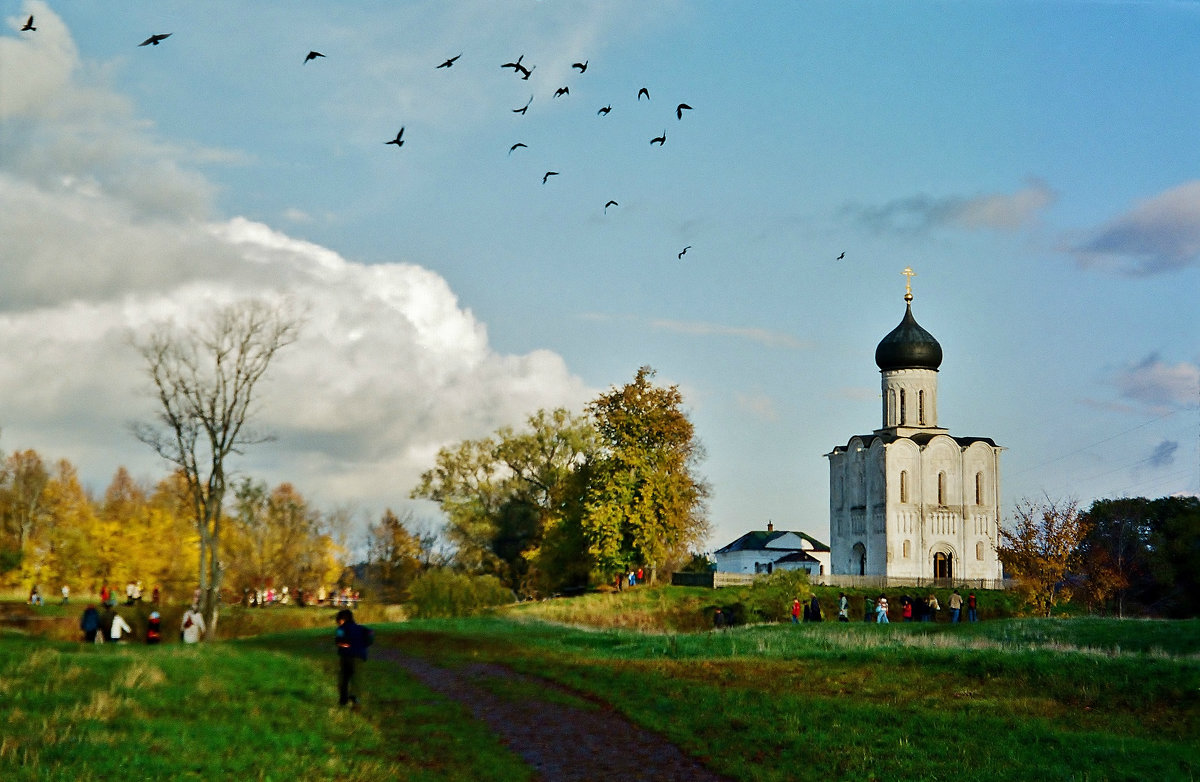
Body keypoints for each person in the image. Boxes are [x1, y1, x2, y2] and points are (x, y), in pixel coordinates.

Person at [335, 609, 370, 707]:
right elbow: (368, 640)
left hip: (346, 656)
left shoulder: (341, 629)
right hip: (360, 656)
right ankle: (356, 698)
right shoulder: (362, 629)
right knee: (357, 678)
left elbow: (339, 641)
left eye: (338, 620)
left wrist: (343, 645)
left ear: (342, 619)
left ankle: (343, 700)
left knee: (344, 678)